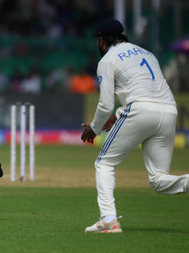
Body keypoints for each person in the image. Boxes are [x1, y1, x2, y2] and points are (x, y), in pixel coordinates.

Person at [81, 18, 189, 233]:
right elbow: (145, 92)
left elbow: (105, 104)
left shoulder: (108, 60)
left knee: (104, 164)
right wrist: (118, 117)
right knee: (158, 180)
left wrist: (93, 128)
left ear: (101, 39)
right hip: (168, 111)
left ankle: (109, 219)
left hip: (140, 110)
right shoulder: (147, 54)